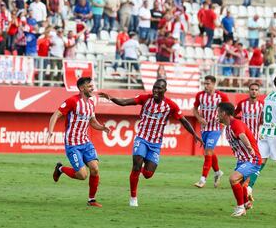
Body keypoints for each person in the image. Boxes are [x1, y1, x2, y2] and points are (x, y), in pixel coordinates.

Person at [99, 79, 203, 207]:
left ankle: (137, 172)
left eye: (159, 88)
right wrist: (111, 98)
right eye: (154, 87)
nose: (156, 90)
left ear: (165, 90)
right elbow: (125, 102)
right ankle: (133, 198)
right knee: (136, 165)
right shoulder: (145, 99)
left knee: (148, 174)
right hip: (142, 138)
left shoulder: (171, 105)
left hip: (155, 144)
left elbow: (184, 121)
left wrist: (194, 134)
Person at [48, 77, 110, 208]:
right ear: (82, 88)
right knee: (82, 175)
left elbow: (92, 122)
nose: (92, 88)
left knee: (95, 168)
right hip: (73, 144)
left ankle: (91, 200)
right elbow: (56, 115)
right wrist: (50, 131)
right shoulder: (72, 101)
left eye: (92, 86)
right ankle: (60, 169)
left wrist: (102, 127)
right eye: (89, 86)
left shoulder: (91, 103)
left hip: (86, 142)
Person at [217, 102, 262, 217]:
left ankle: (240, 208)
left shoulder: (236, 123)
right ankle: (246, 203)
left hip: (252, 159)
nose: (217, 114)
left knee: (233, 179)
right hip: (242, 160)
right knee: (240, 184)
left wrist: (249, 148)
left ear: (224, 113)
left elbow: (242, 135)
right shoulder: (228, 127)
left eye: (218, 112)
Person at [193, 75, 229, 188]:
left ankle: (202, 180)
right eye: (205, 83)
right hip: (204, 129)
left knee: (208, 151)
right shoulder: (200, 95)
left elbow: (229, 109)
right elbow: (194, 109)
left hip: (216, 128)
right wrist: (199, 118)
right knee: (210, 152)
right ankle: (218, 172)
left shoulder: (221, 96)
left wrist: (223, 120)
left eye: (208, 83)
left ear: (214, 84)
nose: (206, 85)